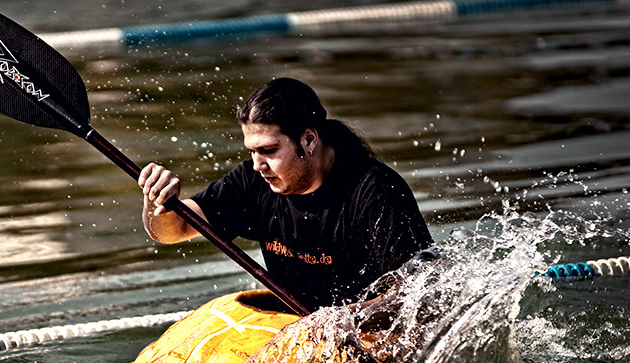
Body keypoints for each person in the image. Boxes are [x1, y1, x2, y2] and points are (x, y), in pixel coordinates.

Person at [138, 77, 433, 313]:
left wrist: (338, 323)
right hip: (303, 330)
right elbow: (173, 231)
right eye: (252, 152)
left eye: (268, 150)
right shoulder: (253, 182)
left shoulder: (376, 190)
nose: (258, 164)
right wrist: (158, 204)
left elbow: (417, 295)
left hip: (366, 334)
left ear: (308, 139)